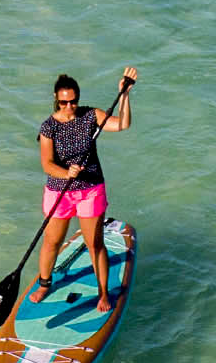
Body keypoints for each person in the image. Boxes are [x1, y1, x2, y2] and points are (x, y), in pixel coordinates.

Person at [28, 67, 138, 307]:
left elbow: (123, 125)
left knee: (95, 244)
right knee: (51, 242)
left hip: (90, 190)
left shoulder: (90, 116)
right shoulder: (49, 127)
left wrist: (125, 95)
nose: (69, 107)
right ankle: (45, 284)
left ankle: (102, 294)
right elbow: (47, 164)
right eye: (64, 102)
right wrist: (66, 172)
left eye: (74, 101)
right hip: (60, 191)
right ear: (56, 100)